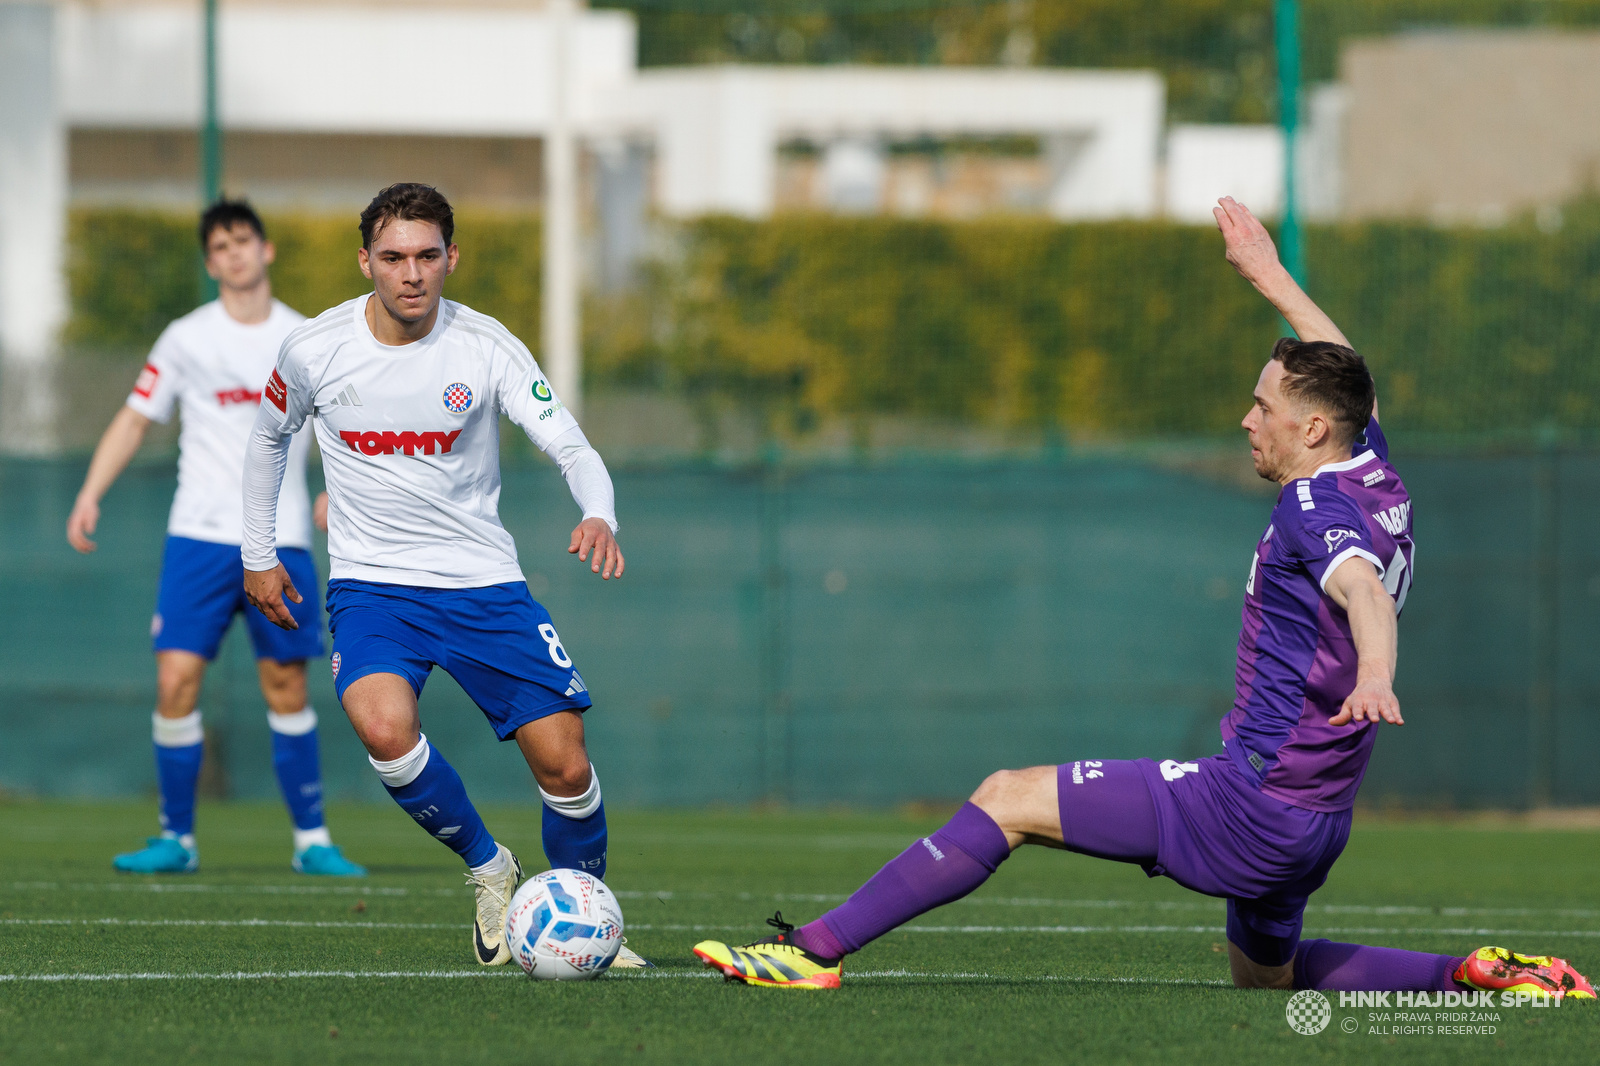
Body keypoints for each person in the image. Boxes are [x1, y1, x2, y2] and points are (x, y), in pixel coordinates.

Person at [691, 197, 1596, 999]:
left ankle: (814, 949)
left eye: (1263, 405)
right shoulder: (1373, 468)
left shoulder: (1315, 502)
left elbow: (1361, 587)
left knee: (1007, 797)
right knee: (1263, 979)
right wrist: (1270, 276)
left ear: (1311, 429)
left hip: (1251, 801)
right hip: (1316, 818)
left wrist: (1377, 673)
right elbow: (1347, 368)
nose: (1247, 418)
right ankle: (1471, 978)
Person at [239, 182, 645, 968]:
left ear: (451, 258)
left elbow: (569, 443)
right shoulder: (314, 349)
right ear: (366, 262)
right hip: (373, 586)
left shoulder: (486, 346)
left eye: (428, 255)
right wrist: (258, 555)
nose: (411, 274)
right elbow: (266, 443)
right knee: (381, 725)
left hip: (484, 586)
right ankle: (493, 872)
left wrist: (600, 512)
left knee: (566, 762)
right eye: (393, 257)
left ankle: (585, 918)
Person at [67, 199, 364, 878]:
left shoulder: (305, 337)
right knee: (175, 682)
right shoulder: (185, 338)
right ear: (210, 263)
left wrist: (334, 492)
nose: (234, 253)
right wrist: (90, 491)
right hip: (197, 538)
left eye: (243, 240)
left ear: (267, 250)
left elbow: (342, 430)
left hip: (282, 537)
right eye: (221, 246)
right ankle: (177, 838)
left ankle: (312, 841)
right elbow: (135, 418)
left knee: (286, 684)